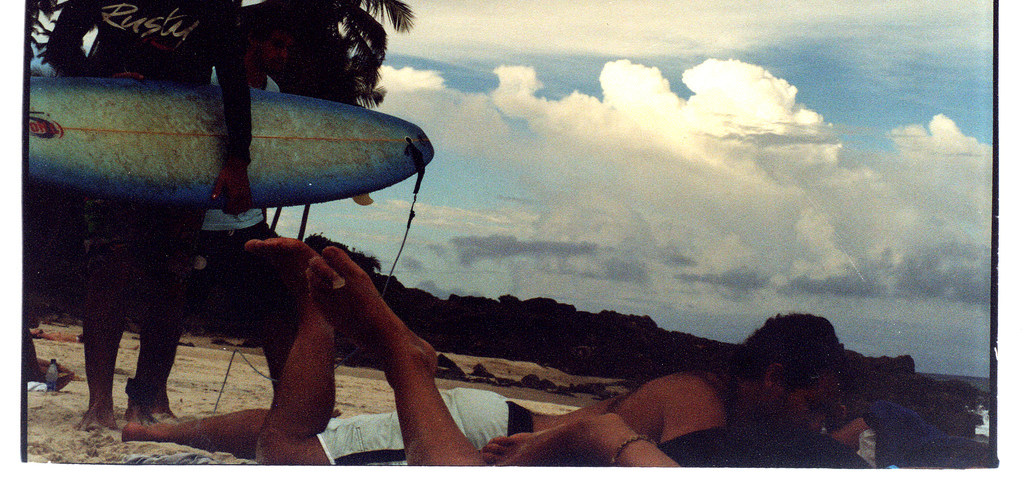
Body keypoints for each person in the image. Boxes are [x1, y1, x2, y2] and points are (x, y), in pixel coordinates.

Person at [125, 238, 865, 467]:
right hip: (489, 433)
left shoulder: (735, 416)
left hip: (504, 426)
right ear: (772, 375)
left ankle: (157, 430)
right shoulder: (699, 398)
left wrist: (839, 433)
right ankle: (323, 313)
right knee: (291, 454)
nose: (817, 418)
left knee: (302, 443)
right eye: (813, 401)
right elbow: (612, 436)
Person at [41, 0, 253, 430]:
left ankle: (149, 399)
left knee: (171, 276)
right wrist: (102, 77)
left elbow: (233, 81)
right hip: (115, 145)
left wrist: (237, 161)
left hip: (181, 151)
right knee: (109, 269)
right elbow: (59, 48)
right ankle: (98, 404)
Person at [187, 19, 297, 384]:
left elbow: (263, 155)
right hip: (198, 221)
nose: (283, 54)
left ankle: (287, 399)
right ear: (253, 38)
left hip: (246, 222)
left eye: (287, 47)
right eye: (277, 43)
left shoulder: (275, 90)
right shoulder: (210, 79)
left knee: (278, 307)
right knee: (173, 311)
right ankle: (153, 397)